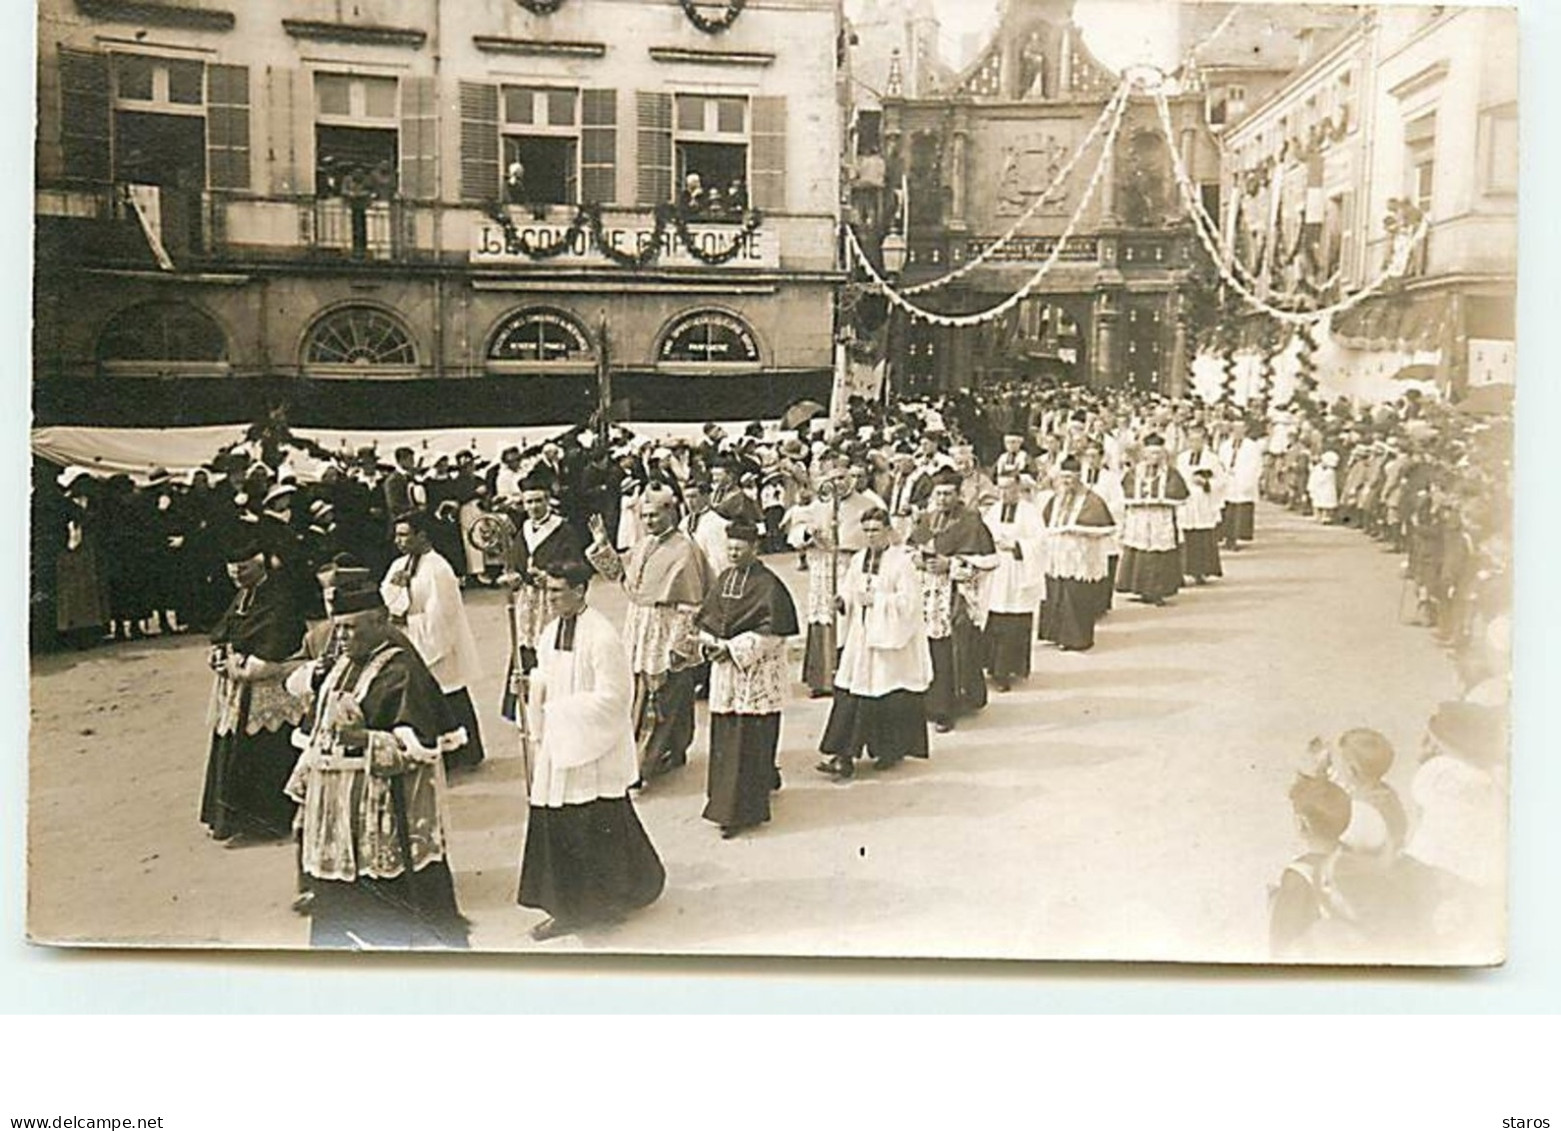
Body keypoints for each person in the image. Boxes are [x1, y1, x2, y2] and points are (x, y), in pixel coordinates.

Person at [284, 582, 469, 949]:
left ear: (381, 621)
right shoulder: (340, 666)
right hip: (335, 818)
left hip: (382, 819)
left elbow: (420, 750)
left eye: (351, 627)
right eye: (338, 627)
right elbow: (318, 730)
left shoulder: (402, 670)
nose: (341, 636)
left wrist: (364, 739)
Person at [517, 562, 666, 940]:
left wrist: (557, 711)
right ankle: (580, 904)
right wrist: (531, 684)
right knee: (561, 820)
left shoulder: (602, 636)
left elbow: (616, 699)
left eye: (557, 590)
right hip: (560, 741)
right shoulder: (550, 632)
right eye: (548, 590)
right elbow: (548, 678)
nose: (549, 598)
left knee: (592, 821)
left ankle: (591, 906)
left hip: (592, 746)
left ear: (581, 590)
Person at [585, 485, 713, 783]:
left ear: (670, 511)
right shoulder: (644, 544)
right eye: (644, 516)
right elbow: (618, 574)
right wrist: (602, 544)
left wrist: (679, 645)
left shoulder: (685, 548)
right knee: (642, 691)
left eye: (654, 515)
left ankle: (653, 758)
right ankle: (651, 754)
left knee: (668, 694)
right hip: (640, 624)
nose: (649, 521)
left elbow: (690, 603)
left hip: (667, 627)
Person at [694, 520, 800, 837]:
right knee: (728, 737)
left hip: (756, 671)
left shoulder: (769, 584)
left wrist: (734, 650)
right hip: (726, 672)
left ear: (755, 548)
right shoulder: (725, 577)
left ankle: (741, 811)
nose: (734, 553)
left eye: (740, 548)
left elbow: (775, 633)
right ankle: (731, 798)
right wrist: (710, 645)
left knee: (752, 737)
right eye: (730, 549)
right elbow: (708, 619)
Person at [199, 536, 307, 845]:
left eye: (243, 571)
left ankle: (266, 823)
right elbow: (225, 629)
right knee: (232, 748)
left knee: (264, 754)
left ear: (260, 565)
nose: (237, 578)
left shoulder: (278, 597)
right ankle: (229, 819)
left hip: (267, 684)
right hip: (238, 685)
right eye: (232, 572)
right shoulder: (244, 593)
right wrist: (220, 653)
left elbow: (277, 640)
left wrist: (242, 665)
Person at [817, 507, 933, 779]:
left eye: (875, 530)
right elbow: (849, 587)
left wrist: (879, 601)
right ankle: (842, 754)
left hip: (888, 641)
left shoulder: (901, 562)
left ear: (888, 531)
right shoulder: (858, 559)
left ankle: (887, 750)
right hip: (861, 637)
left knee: (885, 694)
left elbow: (910, 603)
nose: (870, 536)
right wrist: (842, 600)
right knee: (851, 692)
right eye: (866, 530)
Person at [381, 510, 486, 771]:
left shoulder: (439, 568)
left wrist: (410, 624)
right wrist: (395, 595)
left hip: (437, 642)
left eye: (405, 535)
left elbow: (442, 615)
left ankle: (465, 753)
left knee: (449, 693)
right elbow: (387, 598)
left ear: (422, 536)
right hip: (411, 638)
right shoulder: (399, 565)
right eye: (397, 535)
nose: (399, 540)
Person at [907, 469, 998, 732]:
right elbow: (910, 546)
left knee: (953, 646)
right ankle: (928, 701)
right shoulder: (927, 518)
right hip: (926, 591)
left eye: (948, 494)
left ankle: (948, 707)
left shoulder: (971, 521)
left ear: (959, 494)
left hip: (956, 593)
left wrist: (951, 564)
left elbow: (988, 561)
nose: (943, 499)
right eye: (939, 494)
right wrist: (918, 558)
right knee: (927, 646)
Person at [502, 475, 588, 719]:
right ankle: (526, 707)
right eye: (528, 502)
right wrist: (518, 575)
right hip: (528, 598)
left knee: (550, 644)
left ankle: (555, 701)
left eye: (539, 501)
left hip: (552, 598)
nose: (533, 507)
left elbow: (575, 564)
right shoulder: (525, 529)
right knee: (525, 644)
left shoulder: (564, 529)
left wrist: (551, 575)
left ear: (549, 501)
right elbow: (517, 560)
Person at [1038, 457, 1116, 652]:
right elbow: (1045, 523)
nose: (1066, 483)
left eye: (1070, 479)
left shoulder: (1092, 500)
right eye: (1063, 478)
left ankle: (1076, 638)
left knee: (1075, 595)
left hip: (1079, 555)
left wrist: (1077, 530)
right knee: (1055, 593)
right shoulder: (1055, 499)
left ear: (1079, 478)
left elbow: (1104, 527)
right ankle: (1055, 634)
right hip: (1057, 554)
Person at [982, 471, 1047, 689]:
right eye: (1000, 488)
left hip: (1019, 569)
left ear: (1018, 488)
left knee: (1014, 621)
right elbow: (984, 533)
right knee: (995, 618)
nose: (1003, 493)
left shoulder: (1030, 512)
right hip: (998, 571)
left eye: (1008, 488)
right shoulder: (993, 510)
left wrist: (1017, 545)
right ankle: (993, 667)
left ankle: (1009, 669)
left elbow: (1039, 541)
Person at [1116, 435, 1189, 607]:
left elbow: (1179, 492)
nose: (1154, 458)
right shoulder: (1134, 472)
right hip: (1139, 517)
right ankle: (1140, 588)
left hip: (1160, 517)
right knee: (1139, 551)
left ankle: (1158, 590)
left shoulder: (1171, 472)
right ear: (1144, 455)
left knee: (1159, 553)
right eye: (1151, 454)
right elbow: (1125, 489)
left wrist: (1162, 498)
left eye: (1158, 454)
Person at [1175, 425, 1225, 585]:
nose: (1194, 443)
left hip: (1203, 500)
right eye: (1191, 440)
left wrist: (1206, 483)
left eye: (1198, 440)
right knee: (1185, 535)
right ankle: (1182, 571)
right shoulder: (1182, 458)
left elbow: (1222, 481)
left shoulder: (1212, 459)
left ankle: (1200, 571)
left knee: (1202, 536)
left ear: (1204, 441)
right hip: (1186, 501)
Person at [1218, 418, 1263, 550]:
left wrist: (1249, 480)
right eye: (1235, 429)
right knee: (1227, 511)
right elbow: (1220, 463)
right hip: (1228, 481)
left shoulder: (1252, 447)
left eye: (1240, 429)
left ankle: (1236, 539)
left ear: (1245, 430)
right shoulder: (1225, 446)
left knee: (1240, 512)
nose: (1237, 432)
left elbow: (1256, 465)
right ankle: (1227, 538)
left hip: (1244, 481)